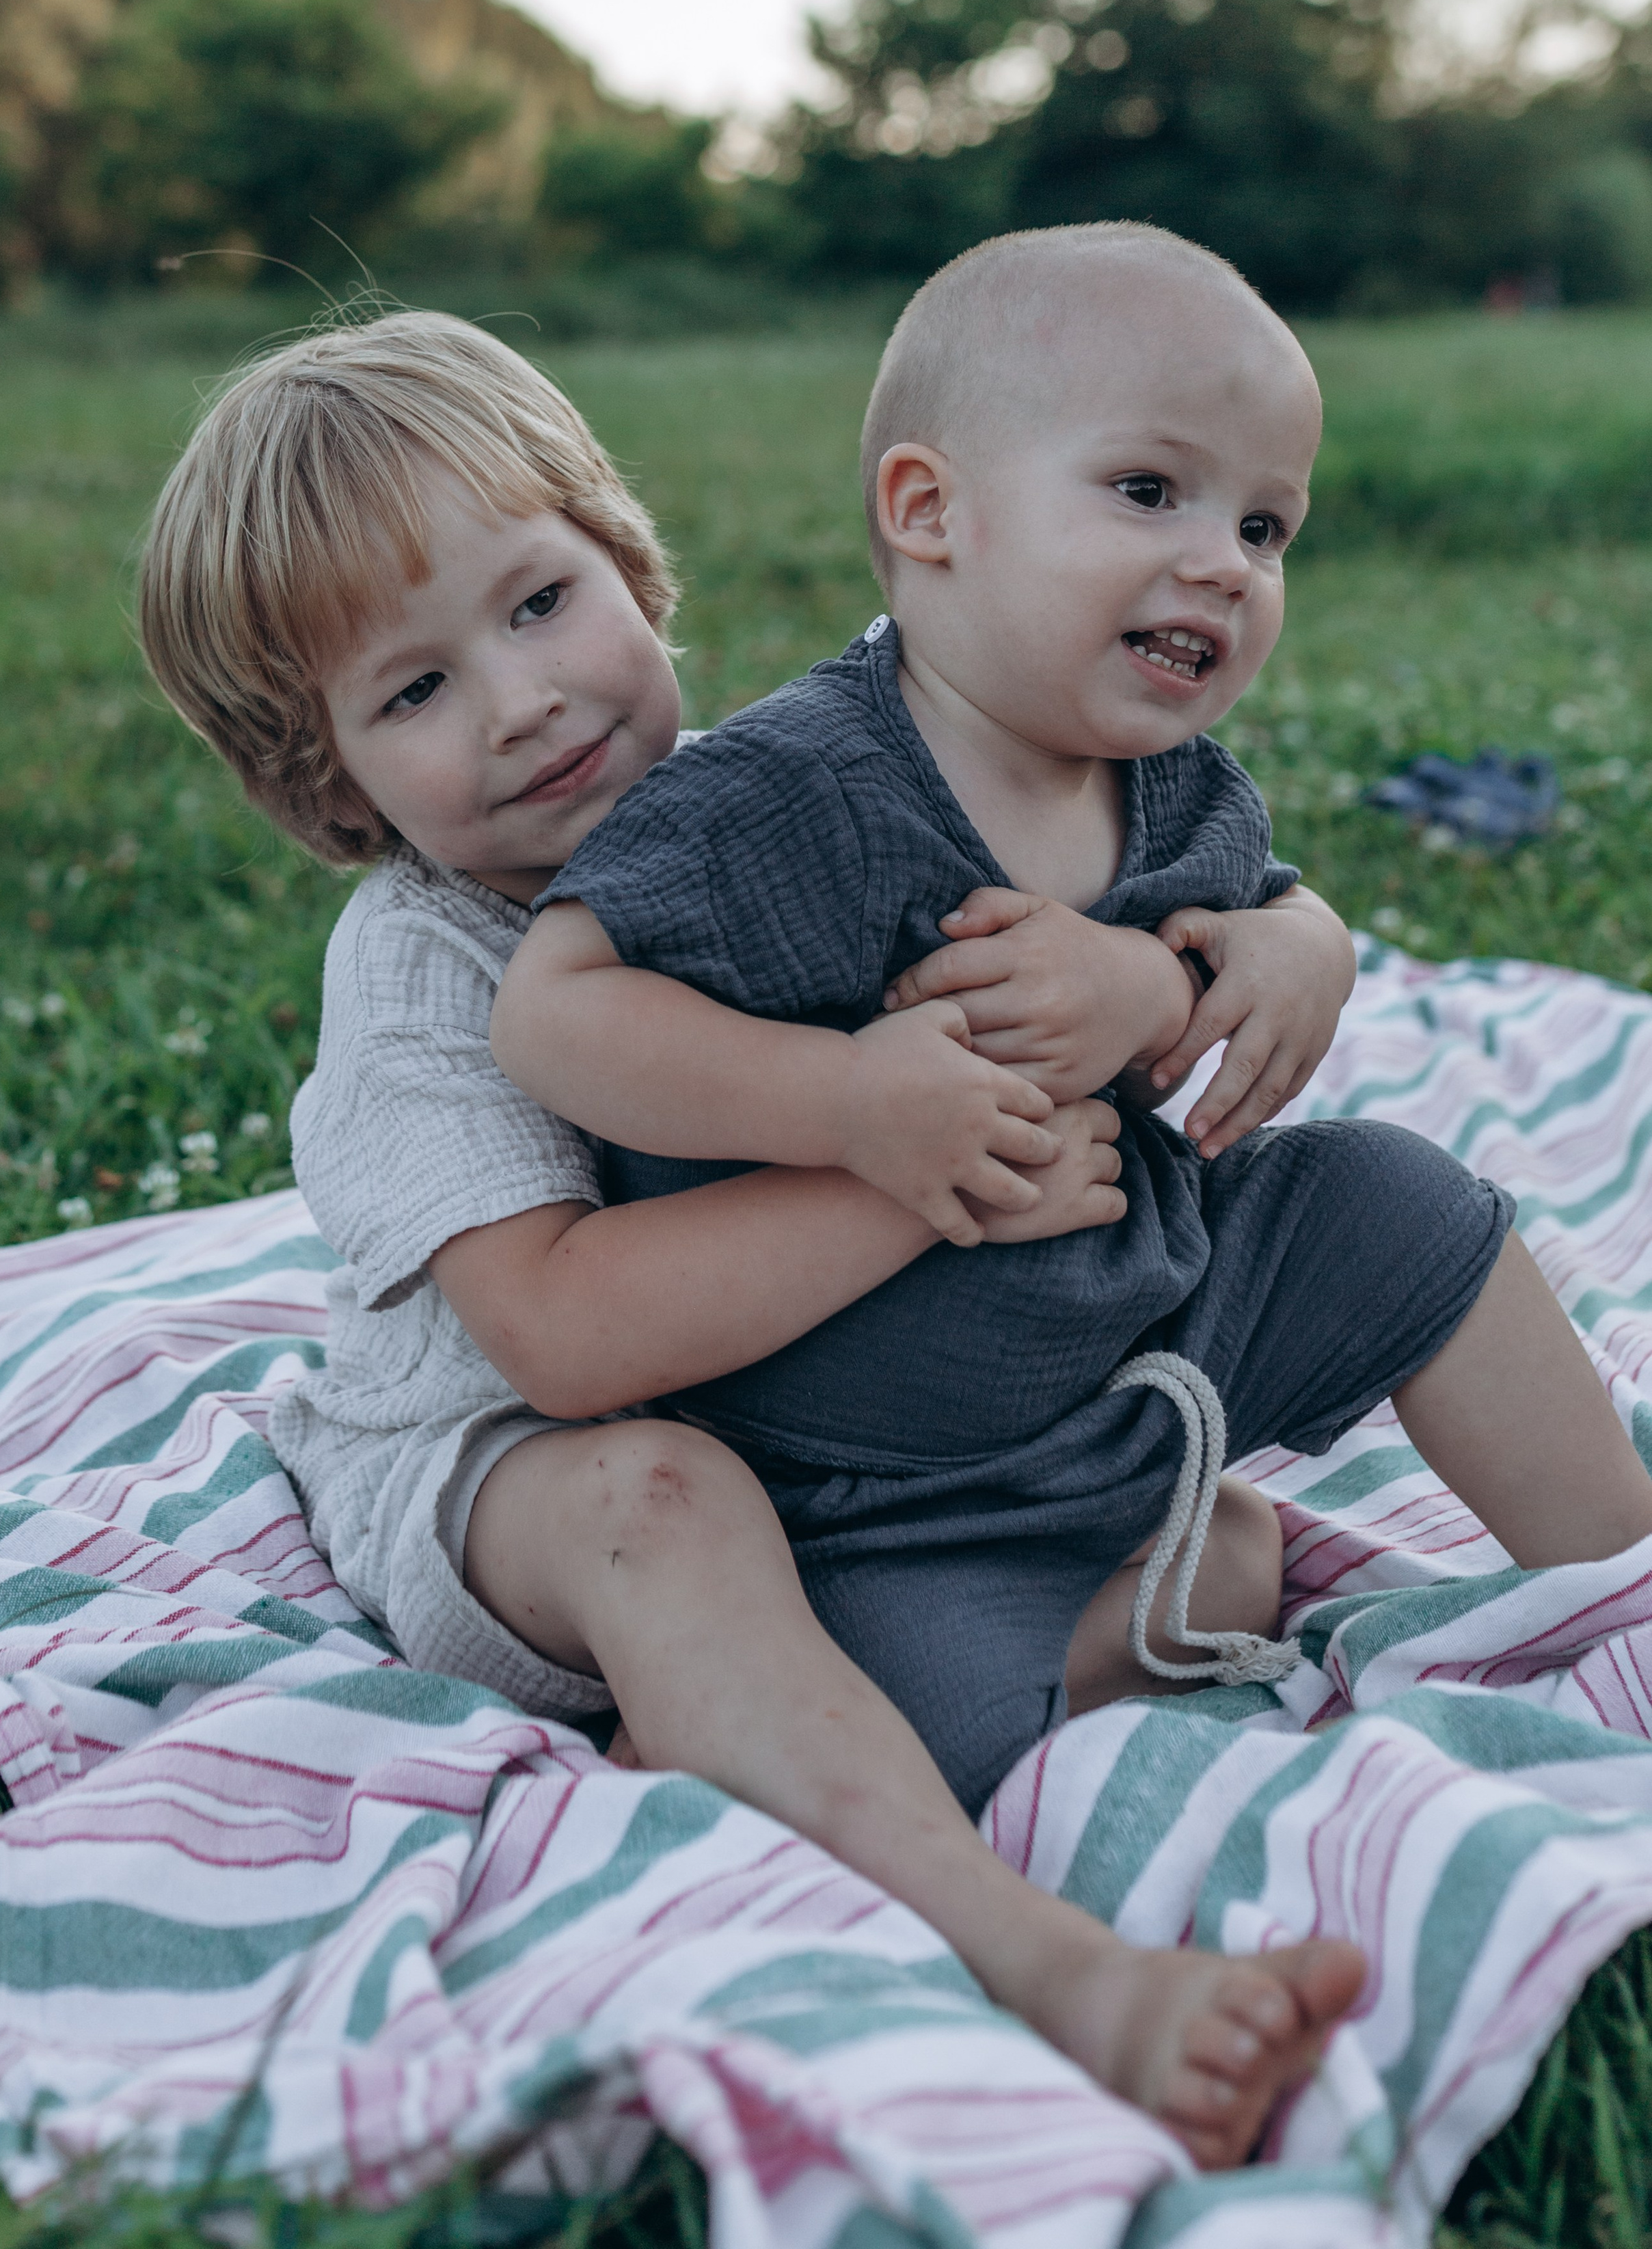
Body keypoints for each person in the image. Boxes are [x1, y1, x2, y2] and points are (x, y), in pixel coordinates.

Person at [139, 305, 1376, 2173]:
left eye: (540, 603)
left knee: (1228, 1544)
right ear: (329, 788)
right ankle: (1048, 1967)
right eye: (415, 693)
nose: (523, 700)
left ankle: (766, 1717)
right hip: (522, 1472)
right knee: (666, 1505)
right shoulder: (421, 975)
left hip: (833, 1431)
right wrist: (903, 1161)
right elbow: (559, 1338)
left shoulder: (795, 785)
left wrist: (1283, 943)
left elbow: (1117, 865)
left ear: (630, 569)